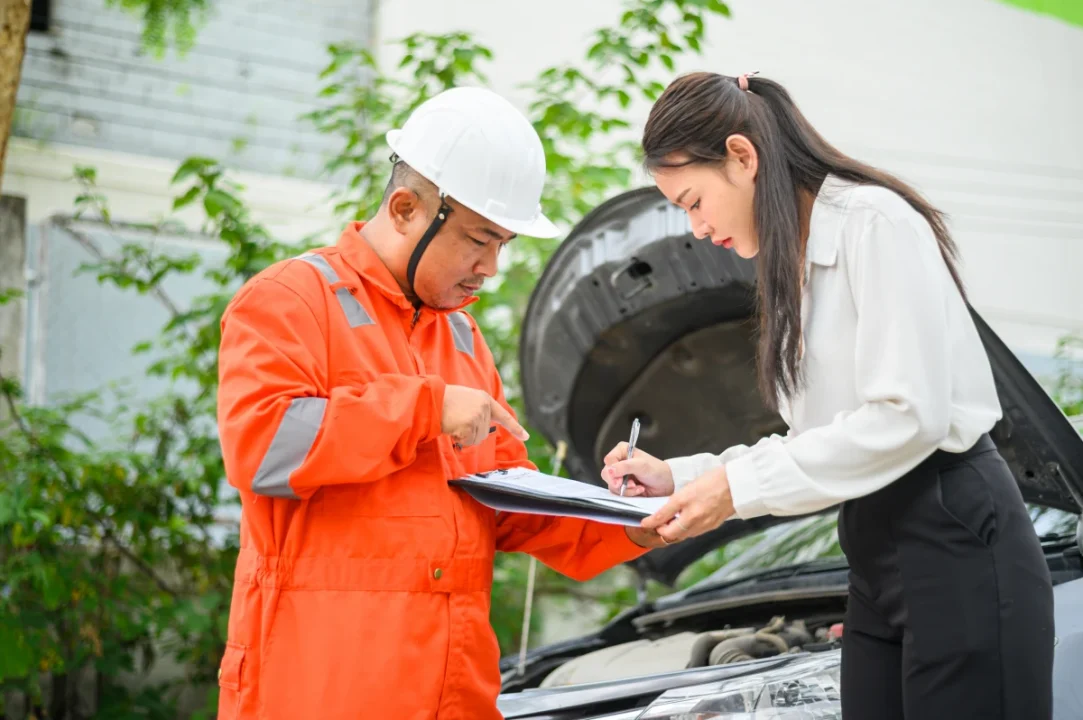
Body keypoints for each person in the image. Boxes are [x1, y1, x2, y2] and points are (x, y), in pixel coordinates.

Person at [599, 71, 1054, 720]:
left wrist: (730, 492)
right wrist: (678, 476)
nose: (696, 228)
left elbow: (907, 417)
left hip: (954, 536)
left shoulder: (874, 223)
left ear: (742, 157)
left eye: (692, 201)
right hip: (873, 550)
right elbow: (818, 442)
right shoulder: (793, 262)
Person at [214, 86, 665, 720]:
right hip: (319, 691)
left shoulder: (458, 334)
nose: (491, 267)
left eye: (503, 244)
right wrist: (425, 409)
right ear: (404, 209)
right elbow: (261, 447)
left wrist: (631, 521)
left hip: (452, 693)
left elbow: (509, 504)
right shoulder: (290, 300)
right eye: (480, 239)